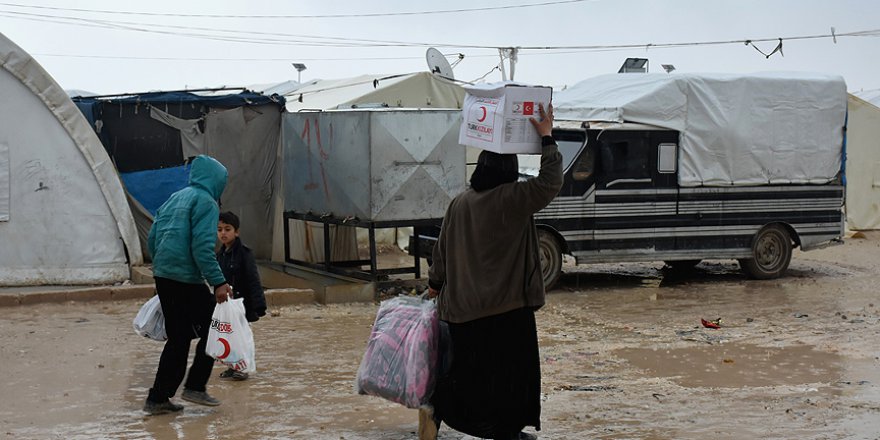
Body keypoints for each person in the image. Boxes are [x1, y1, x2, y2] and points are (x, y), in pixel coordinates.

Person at [422, 104, 563, 440]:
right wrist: (547, 138)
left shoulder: (460, 202)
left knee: (464, 375)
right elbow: (551, 181)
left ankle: (439, 410)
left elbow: (440, 252)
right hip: (506, 311)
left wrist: (434, 286)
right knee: (509, 379)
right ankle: (506, 433)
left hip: (461, 312)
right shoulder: (514, 198)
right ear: (510, 171)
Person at [143, 154, 233, 416]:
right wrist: (218, 282)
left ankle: (158, 398)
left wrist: (161, 266)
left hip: (164, 275)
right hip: (185, 278)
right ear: (217, 181)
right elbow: (202, 248)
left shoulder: (177, 197)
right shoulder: (206, 202)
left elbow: (153, 236)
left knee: (179, 338)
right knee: (215, 327)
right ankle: (194, 385)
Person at [216, 210, 267, 380]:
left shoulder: (245, 254)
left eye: (227, 229)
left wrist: (259, 305)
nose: (223, 233)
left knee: (242, 337)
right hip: (226, 305)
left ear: (236, 232)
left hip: (242, 304)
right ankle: (232, 366)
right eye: (220, 229)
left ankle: (243, 369)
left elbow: (253, 279)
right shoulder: (219, 255)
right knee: (228, 336)